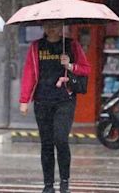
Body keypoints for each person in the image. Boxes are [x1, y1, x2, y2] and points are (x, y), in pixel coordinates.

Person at [19, 21, 90, 193]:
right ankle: (48, 185)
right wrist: (24, 99)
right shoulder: (37, 46)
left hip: (64, 100)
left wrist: (70, 66)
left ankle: (64, 181)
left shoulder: (71, 45)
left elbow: (86, 69)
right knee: (47, 143)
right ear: (43, 27)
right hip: (42, 100)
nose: (52, 28)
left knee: (61, 139)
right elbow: (29, 72)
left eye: (56, 25)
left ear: (62, 27)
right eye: (48, 25)